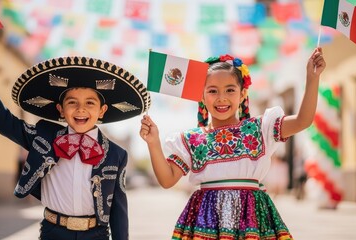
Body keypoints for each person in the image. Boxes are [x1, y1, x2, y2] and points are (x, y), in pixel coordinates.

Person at [139, 47, 325, 239]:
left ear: (243, 93)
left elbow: (303, 120)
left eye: (230, 90)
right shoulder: (192, 139)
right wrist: (153, 143)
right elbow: (167, 180)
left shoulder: (260, 128)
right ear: (201, 97)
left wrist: (312, 79)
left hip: (252, 219)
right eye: (212, 91)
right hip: (207, 222)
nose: (222, 98)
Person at [0, 56, 150, 240]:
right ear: (60, 109)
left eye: (90, 103)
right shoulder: (44, 135)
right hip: (53, 232)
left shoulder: (117, 154)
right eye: (72, 103)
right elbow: (8, 124)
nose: (80, 109)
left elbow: (118, 210)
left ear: (102, 111)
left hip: (96, 235)